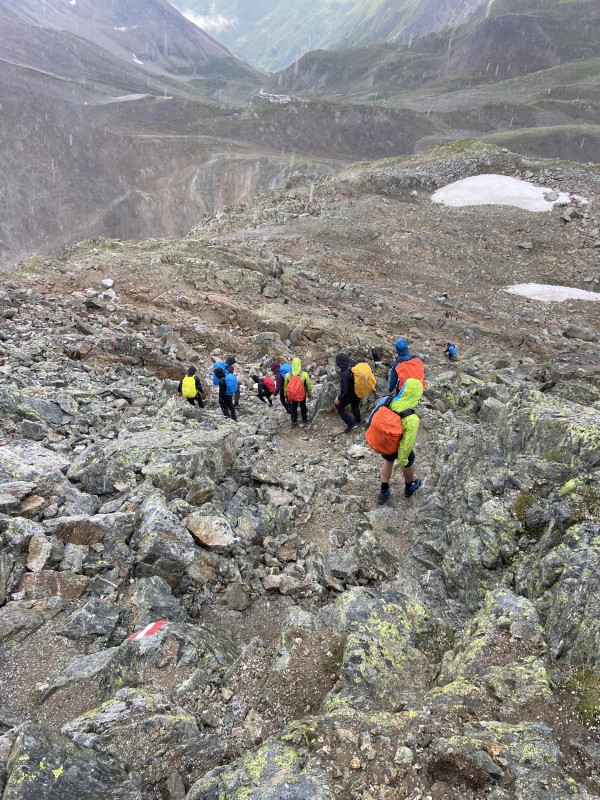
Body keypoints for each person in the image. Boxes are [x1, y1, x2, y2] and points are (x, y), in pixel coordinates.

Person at [365, 377, 424, 504]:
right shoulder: (412, 418)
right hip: (397, 444)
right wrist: (403, 461)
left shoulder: (387, 400)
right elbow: (407, 444)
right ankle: (409, 487)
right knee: (407, 463)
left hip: (385, 440)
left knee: (388, 460)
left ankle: (384, 490)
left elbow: (372, 416)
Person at [334, 352, 361, 433]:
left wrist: (339, 399)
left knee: (339, 407)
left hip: (350, 393)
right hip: (358, 391)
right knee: (355, 404)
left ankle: (351, 424)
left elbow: (344, 390)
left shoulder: (345, 374)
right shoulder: (355, 365)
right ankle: (358, 419)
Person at [284, 358, 312, 427]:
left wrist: (286, 396)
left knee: (293, 407)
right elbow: (308, 385)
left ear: (292, 364)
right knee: (303, 406)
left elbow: (285, 387)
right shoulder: (304, 374)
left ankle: (294, 422)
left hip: (292, 394)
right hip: (302, 394)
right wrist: (309, 395)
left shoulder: (288, 375)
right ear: (300, 364)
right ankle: (304, 420)